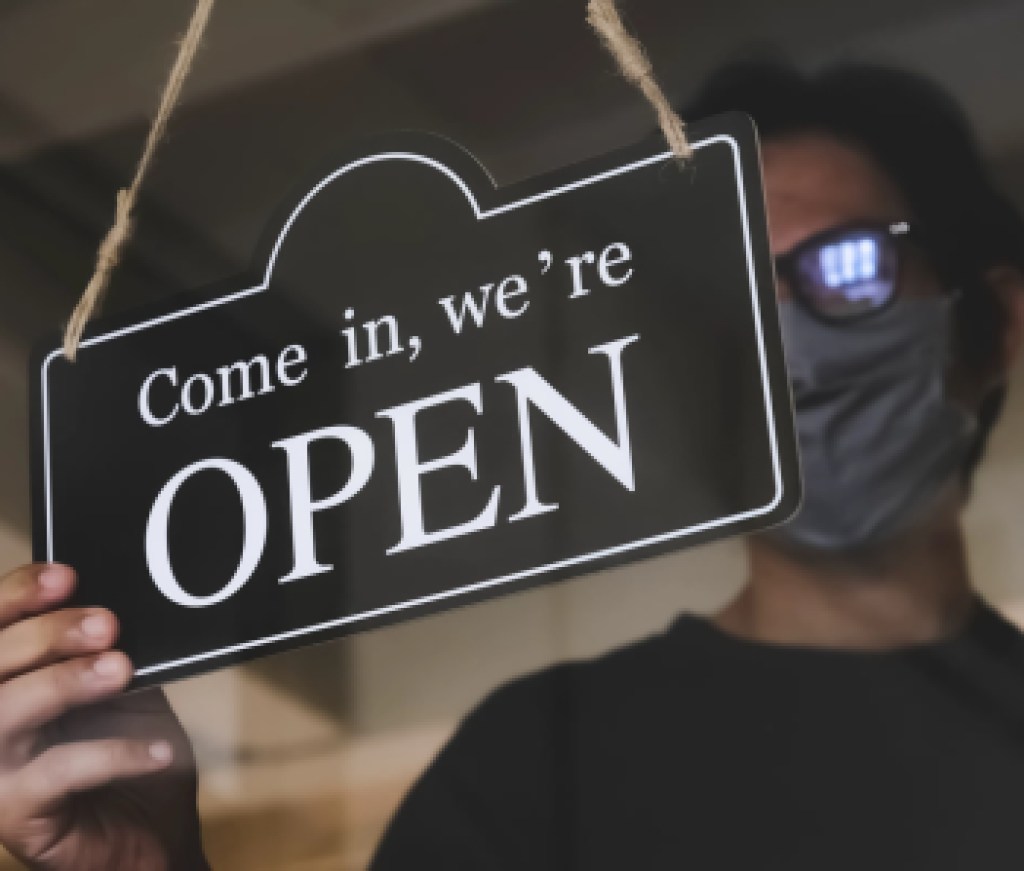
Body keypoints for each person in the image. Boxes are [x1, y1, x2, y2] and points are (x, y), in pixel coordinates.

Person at [0, 59, 1021, 870]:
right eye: (727, 295)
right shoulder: (537, 767)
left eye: (848, 266)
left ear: (994, 328)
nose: (782, 340)